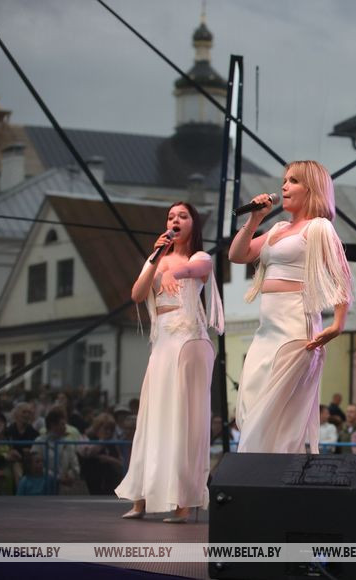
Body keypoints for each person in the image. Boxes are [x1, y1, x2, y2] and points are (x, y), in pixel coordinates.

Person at [229, 160, 352, 454]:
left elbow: (341, 277)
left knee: (275, 416)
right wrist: (255, 220)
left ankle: (267, 472)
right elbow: (237, 254)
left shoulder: (319, 227)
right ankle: (262, 472)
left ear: (312, 188)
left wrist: (338, 324)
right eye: (284, 180)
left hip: (295, 327)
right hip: (266, 331)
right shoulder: (278, 229)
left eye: (293, 181)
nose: (284, 186)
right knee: (252, 406)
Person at [115, 201, 224, 523]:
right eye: (171, 216)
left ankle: (183, 501)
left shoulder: (199, 256)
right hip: (162, 341)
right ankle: (142, 497)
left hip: (189, 339)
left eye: (183, 216)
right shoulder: (157, 257)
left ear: (193, 224)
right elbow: (137, 294)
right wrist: (156, 259)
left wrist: (173, 272)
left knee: (184, 419)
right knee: (153, 416)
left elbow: (196, 271)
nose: (175, 220)